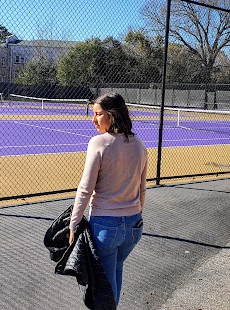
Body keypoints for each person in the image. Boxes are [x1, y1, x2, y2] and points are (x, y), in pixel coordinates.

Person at [69, 92, 148, 307]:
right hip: (134, 226)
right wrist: (135, 214)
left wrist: (74, 223)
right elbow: (142, 190)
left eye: (98, 114)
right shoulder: (139, 144)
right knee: (116, 270)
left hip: (106, 227)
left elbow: (85, 188)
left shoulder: (99, 143)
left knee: (103, 285)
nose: (93, 120)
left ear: (111, 115)